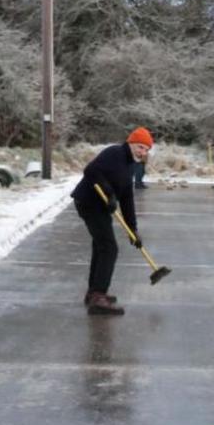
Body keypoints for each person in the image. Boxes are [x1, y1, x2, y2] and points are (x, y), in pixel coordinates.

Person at [71, 128, 153, 316]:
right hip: (89, 202)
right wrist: (108, 192)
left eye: (146, 150)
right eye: (140, 147)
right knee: (109, 248)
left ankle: (94, 292)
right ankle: (98, 296)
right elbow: (90, 170)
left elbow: (126, 198)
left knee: (101, 246)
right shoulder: (115, 153)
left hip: (100, 207)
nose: (143, 152)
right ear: (131, 143)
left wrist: (133, 230)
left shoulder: (130, 164)